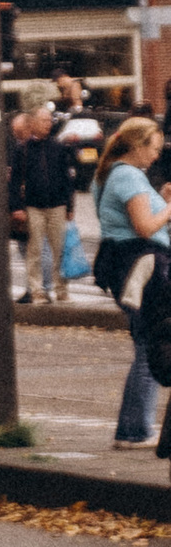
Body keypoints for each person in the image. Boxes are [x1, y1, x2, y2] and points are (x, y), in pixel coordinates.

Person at [92, 114, 170, 448]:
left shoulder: (112, 174)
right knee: (151, 344)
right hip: (144, 264)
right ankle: (135, 429)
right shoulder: (128, 177)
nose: (157, 155)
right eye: (154, 148)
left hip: (126, 263)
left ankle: (131, 427)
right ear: (137, 145)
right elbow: (144, 226)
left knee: (146, 341)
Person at [12, 100, 76, 304]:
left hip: (57, 204)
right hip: (33, 205)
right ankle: (37, 289)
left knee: (59, 249)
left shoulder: (58, 147)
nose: (48, 124)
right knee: (35, 250)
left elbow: (67, 177)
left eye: (50, 120)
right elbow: (14, 181)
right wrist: (16, 207)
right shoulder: (23, 150)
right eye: (43, 120)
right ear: (33, 123)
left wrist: (70, 205)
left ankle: (61, 288)